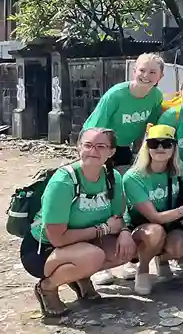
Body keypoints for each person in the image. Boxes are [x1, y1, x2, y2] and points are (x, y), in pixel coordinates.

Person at [20, 128, 134, 317]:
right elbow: (57, 238)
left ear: (111, 151)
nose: (93, 151)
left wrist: (124, 232)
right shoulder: (63, 181)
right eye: (88, 145)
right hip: (43, 249)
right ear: (78, 148)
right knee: (94, 256)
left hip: (82, 243)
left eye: (101, 146)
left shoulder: (113, 177)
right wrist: (103, 229)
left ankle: (81, 278)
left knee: (125, 249)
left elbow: (117, 217)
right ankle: (47, 287)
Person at [123, 124, 183, 295]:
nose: (160, 148)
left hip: (171, 224)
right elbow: (154, 217)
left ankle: (162, 259)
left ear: (174, 148)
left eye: (167, 144)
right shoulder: (133, 177)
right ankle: (143, 269)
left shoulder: (179, 169)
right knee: (155, 232)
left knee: (179, 248)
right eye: (154, 144)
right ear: (146, 147)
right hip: (141, 227)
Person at [82, 52, 165, 169]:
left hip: (124, 146)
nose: (146, 75)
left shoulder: (157, 96)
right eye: (142, 70)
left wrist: (138, 149)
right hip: (100, 143)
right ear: (134, 71)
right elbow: (95, 128)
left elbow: (149, 126)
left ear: (160, 76)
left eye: (152, 72)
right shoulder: (115, 95)